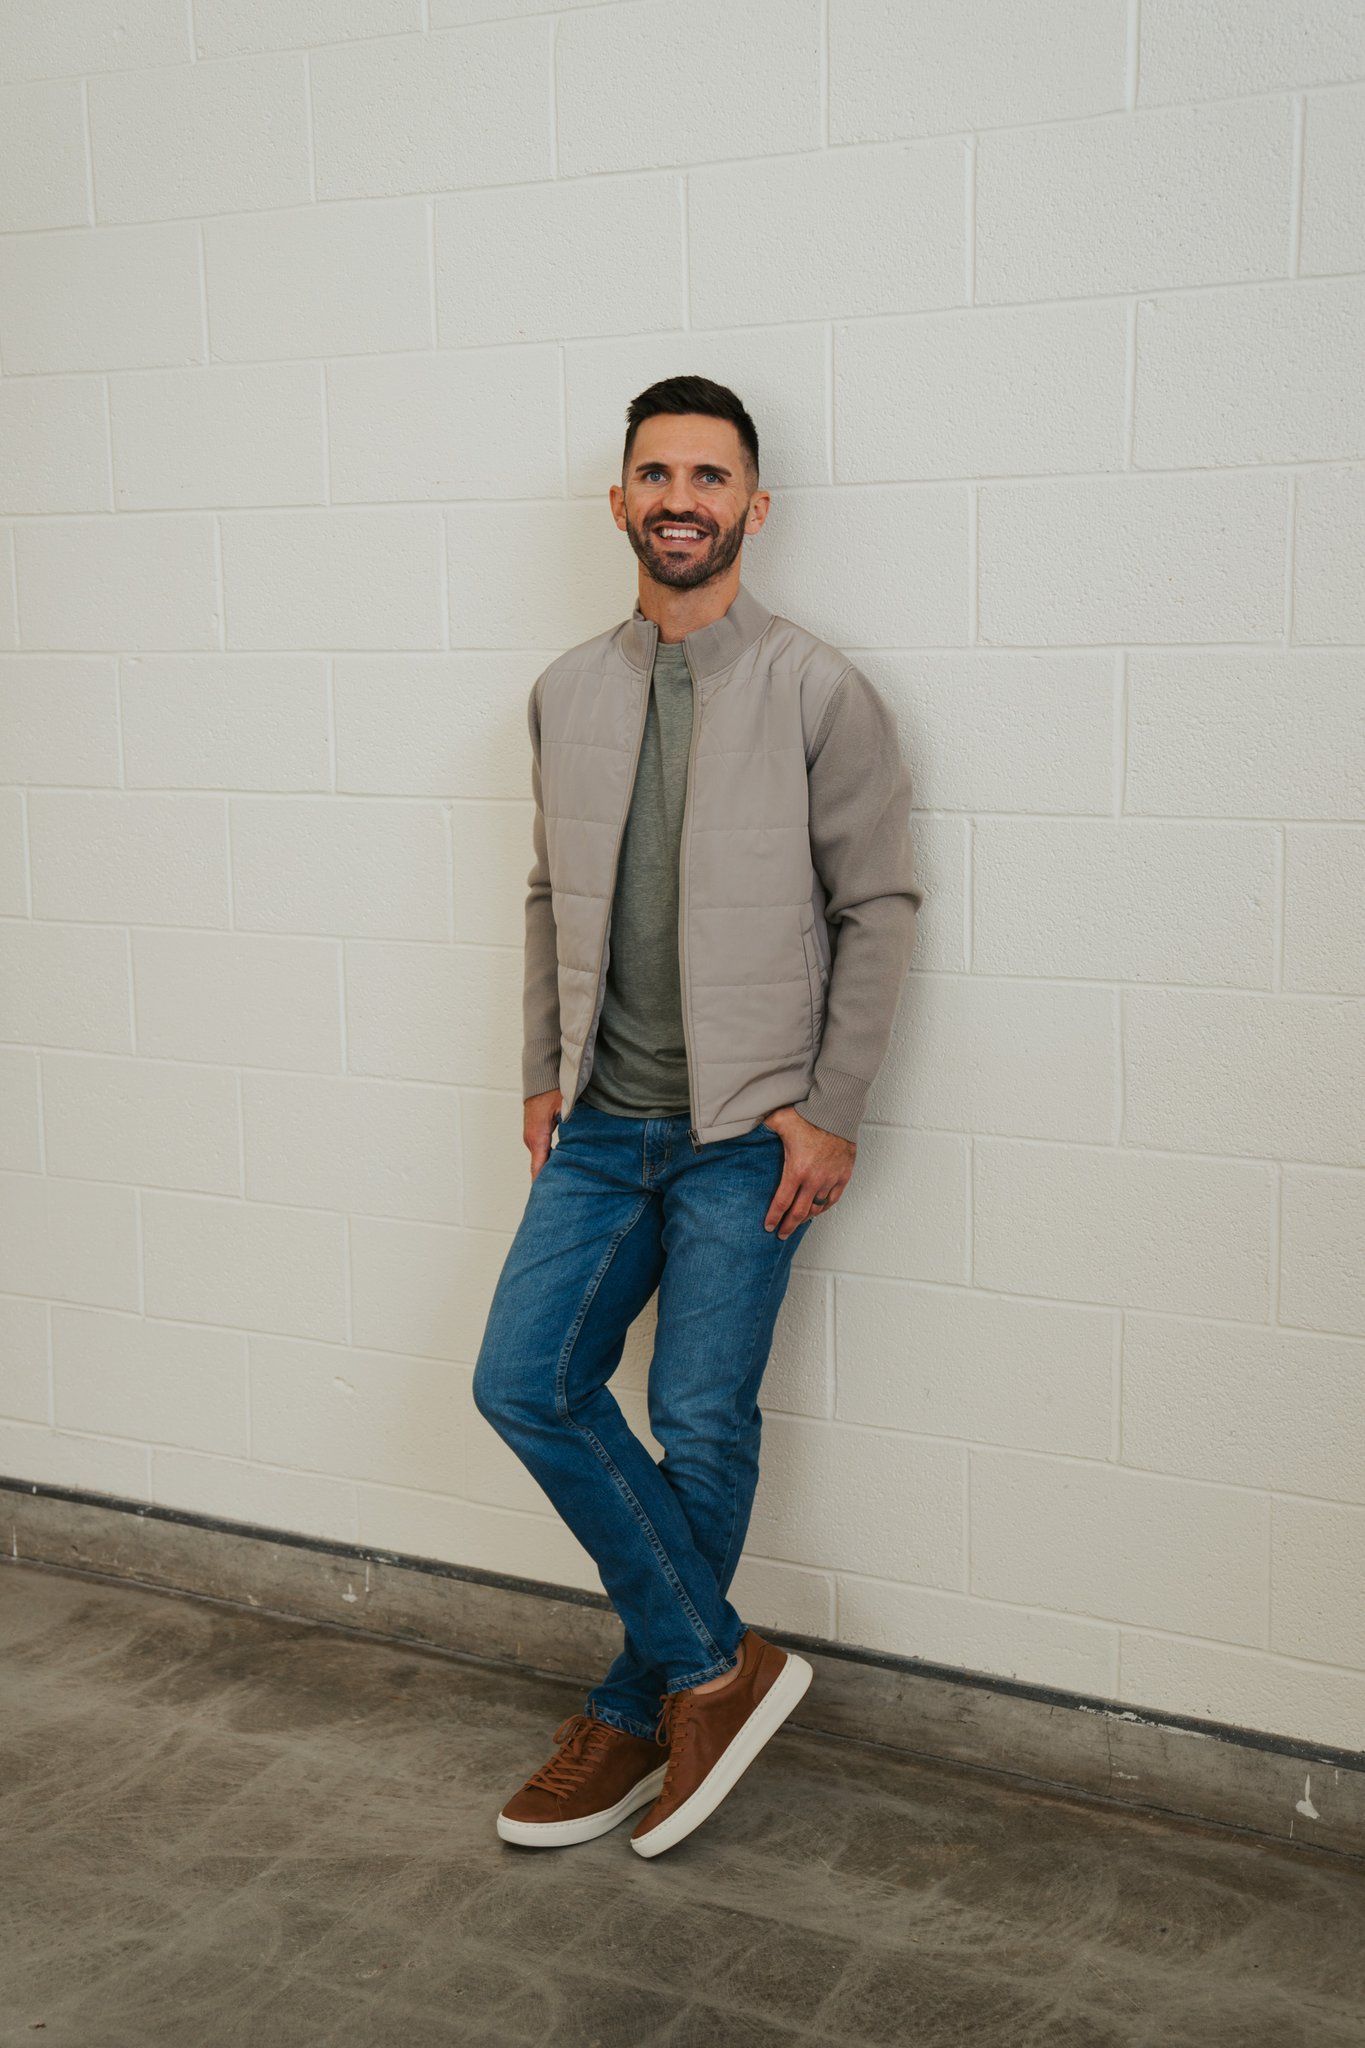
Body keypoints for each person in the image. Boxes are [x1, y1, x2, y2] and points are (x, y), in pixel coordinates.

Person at [473, 375, 922, 1858]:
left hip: (753, 1132)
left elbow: (877, 908)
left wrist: (831, 1110)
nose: (681, 499)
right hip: (603, 1124)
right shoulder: (567, 690)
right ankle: (715, 1669)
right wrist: (540, 1069)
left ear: (753, 507)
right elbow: (550, 894)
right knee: (524, 1381)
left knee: (697, 1422)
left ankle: (633, 1708)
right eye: (656, 474)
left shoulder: (816, 689)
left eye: (709, 476)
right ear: (620, 501)